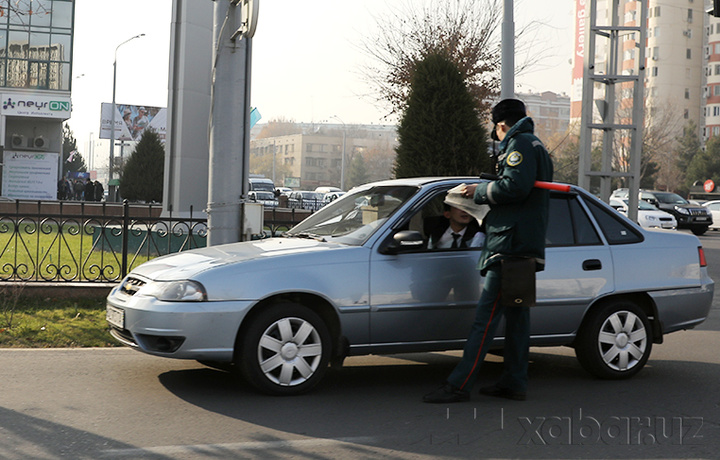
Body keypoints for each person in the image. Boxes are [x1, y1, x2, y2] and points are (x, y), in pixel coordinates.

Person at [423, 98, 553, 403]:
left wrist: (477, 192)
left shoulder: (519, 144)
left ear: (500, 125)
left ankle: (459, 385)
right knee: (518, 319)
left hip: (509, 247)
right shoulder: (535, 144)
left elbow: (514, 188)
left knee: (486, 318)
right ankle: (514, 382)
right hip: (524, 246)